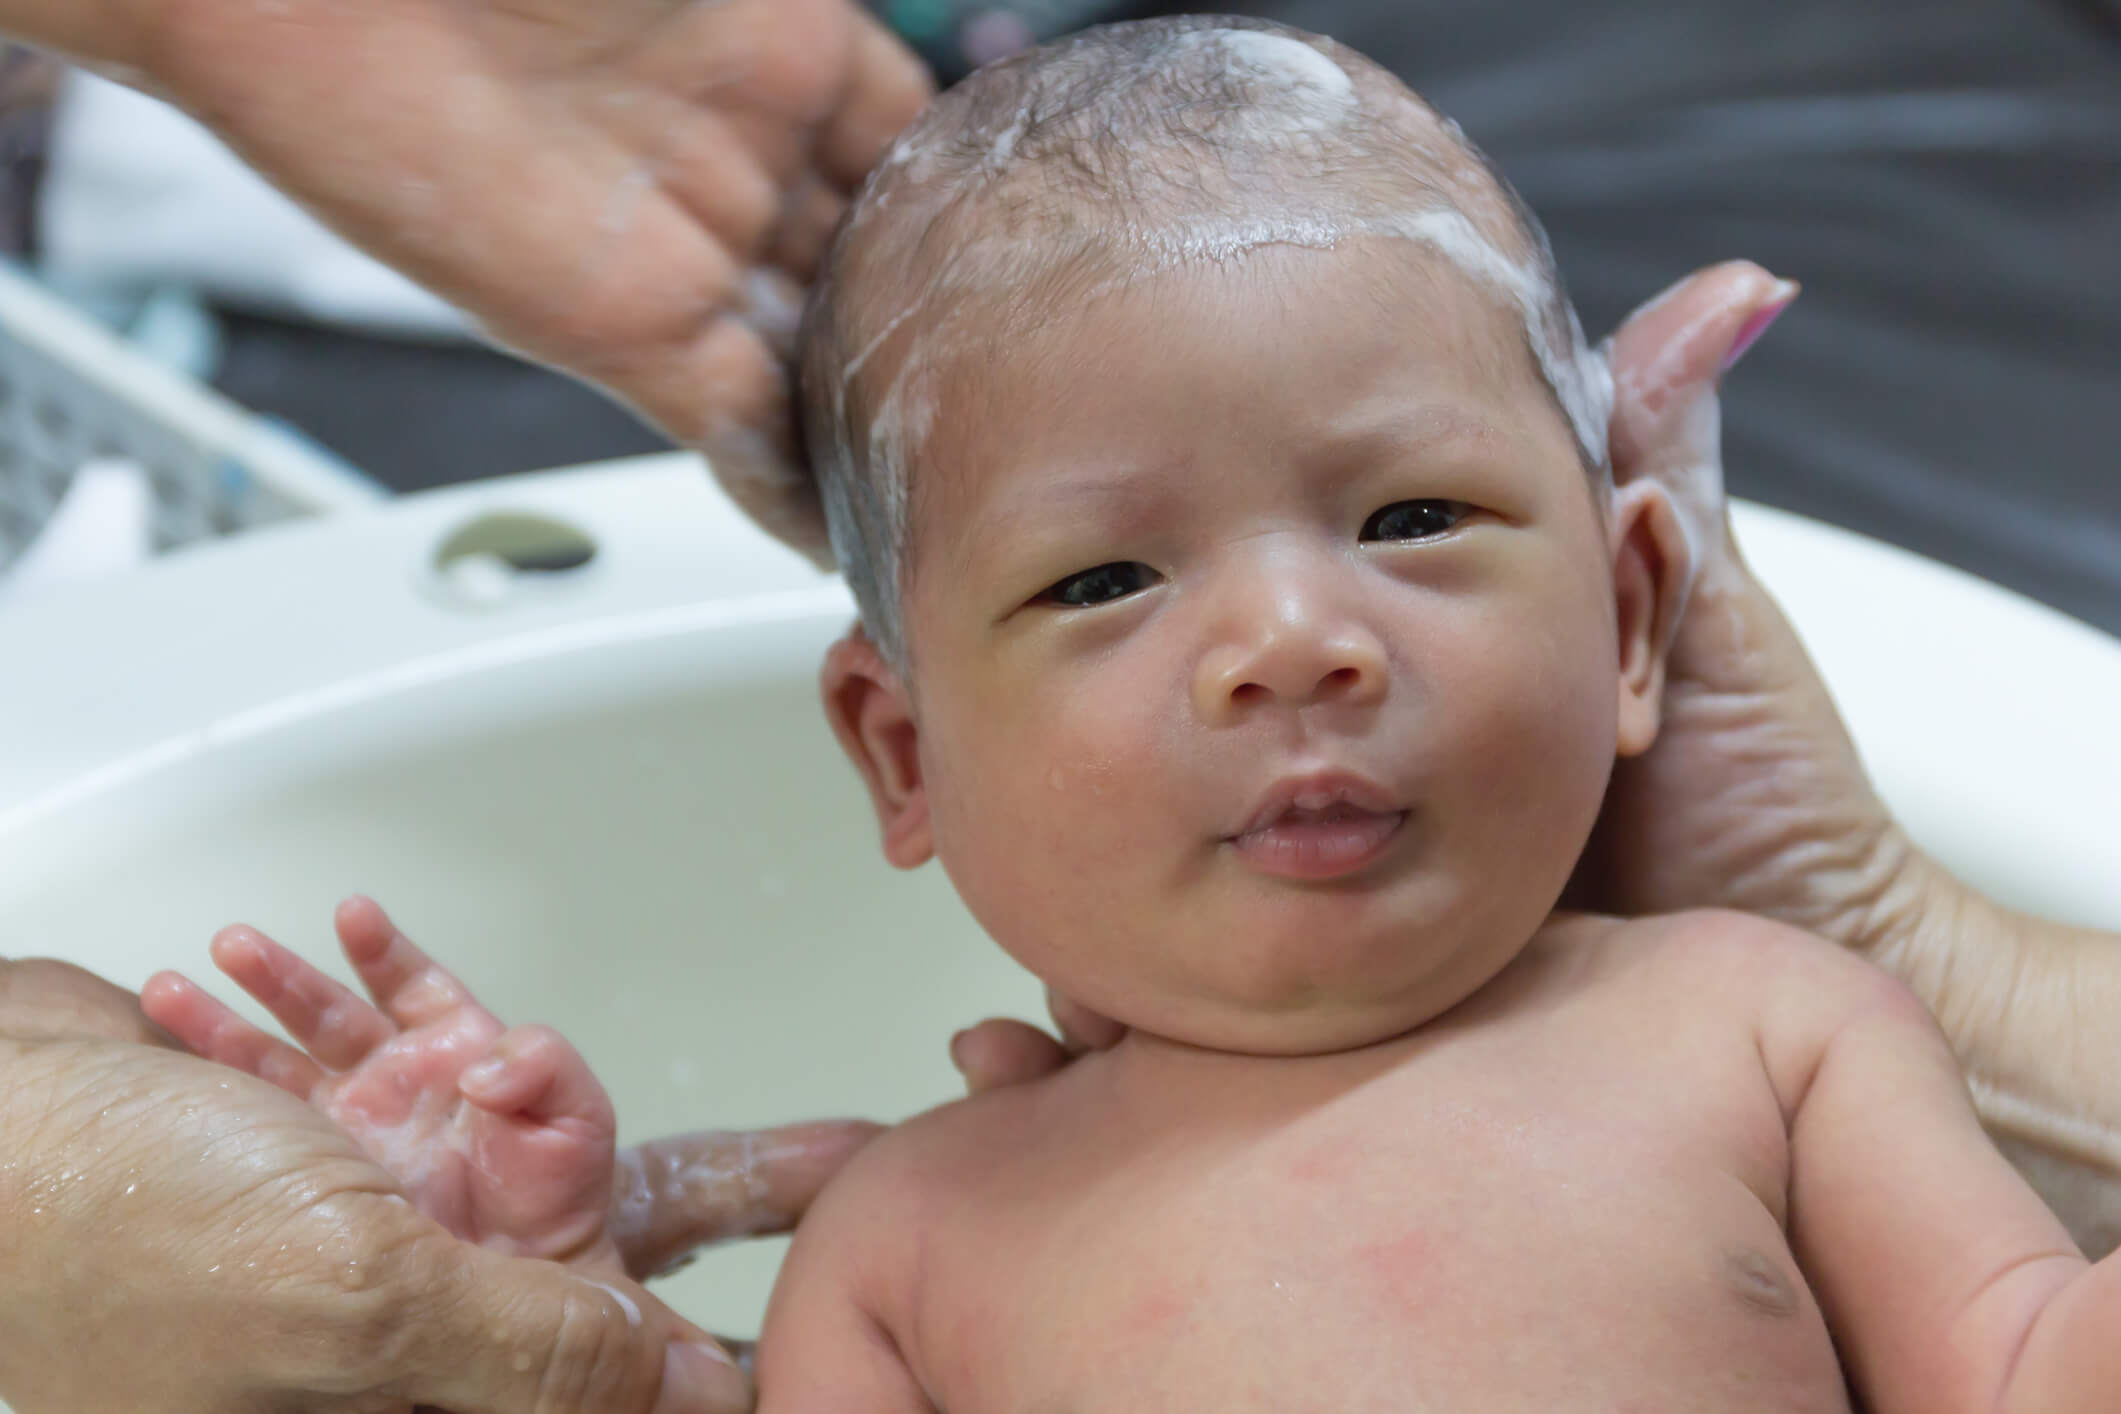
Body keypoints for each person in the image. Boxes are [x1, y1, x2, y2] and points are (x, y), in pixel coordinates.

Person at [0, 1, 2113, 1411]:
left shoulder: (1759, 1023)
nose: (1291, 639)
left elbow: (2030, 1358)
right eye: (1104, 576)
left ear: (1635, 614)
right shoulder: (917, 1236)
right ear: (904, 752)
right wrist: (578, 1303)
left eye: (1410, 513)